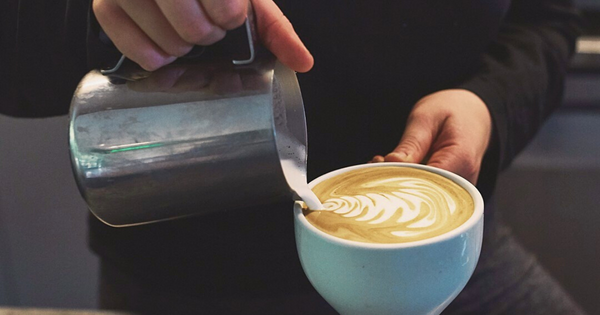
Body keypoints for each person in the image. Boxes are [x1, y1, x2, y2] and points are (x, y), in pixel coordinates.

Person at [1, 0, 585, 314]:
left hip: (445, 258)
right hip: (198, 283)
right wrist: (112, 17)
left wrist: (489, 102)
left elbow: (546, 18)